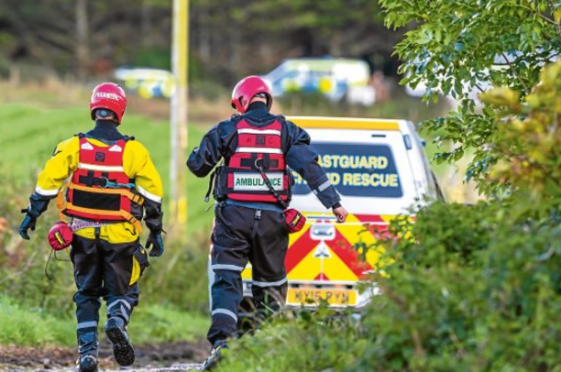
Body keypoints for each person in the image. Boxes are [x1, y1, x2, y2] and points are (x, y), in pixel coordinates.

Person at [187, 75, 348, 370]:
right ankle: (266, 345)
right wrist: (334, 203)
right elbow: (309, 168)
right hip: (273, 221)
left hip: (232, 218)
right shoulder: (286, 131)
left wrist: (198, 153)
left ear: (241, 102)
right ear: (267, 100)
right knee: (270, 284)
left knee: (226, 279)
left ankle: (222, 343)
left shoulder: (228, 129)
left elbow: (198, 167)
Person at [18, 82, 165, 372]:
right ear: (120, 111)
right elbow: (153, 196)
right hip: (122, 235)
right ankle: (116, 320)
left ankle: (87, 354)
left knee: (86, 293)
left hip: (82, 233)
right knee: (125, 290)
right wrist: (156, 232)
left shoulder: (73, 146)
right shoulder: (134, 151)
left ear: (94, 109)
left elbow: (47, 183)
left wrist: (32, 215)